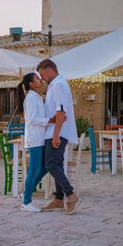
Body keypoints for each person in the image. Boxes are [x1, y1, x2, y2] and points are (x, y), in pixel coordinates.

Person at [36, 59, 81, 215]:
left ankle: (70, 195)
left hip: (58, 132)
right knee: (57, 164)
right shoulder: (55, 85)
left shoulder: (59, 85)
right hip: (54, 131)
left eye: (41, 74)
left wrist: (56, 135)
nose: (41, 78)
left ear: (49, 69)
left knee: (51, 164)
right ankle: (58, 199)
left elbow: (61, 111)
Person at [17, 72, 55, 213]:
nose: (40, 80)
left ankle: (26, 193)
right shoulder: (31, 98)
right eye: (37, 79)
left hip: (41, 139)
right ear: (32, 84)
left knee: (45, 167)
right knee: (33, 170)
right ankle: (26, 202)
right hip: (35, 140)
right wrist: (50, 121)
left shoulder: (37, 97)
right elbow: (32, 119)